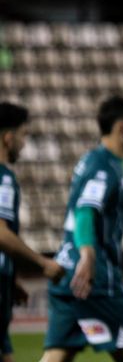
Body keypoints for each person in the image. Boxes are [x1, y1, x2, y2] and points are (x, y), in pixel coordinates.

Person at [42, 96, 123, 362]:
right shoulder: (104, 168)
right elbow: (86, 212)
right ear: (121, 128)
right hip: (95, 278)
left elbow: (101, 209)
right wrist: (88, 256)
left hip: (66, 274)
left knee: (57, 354)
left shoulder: (92, 160)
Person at [0, 103, 64, 362]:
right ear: (8, 138)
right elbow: (0, 233)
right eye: (23, 135)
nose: (25, 143)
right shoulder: (3, 179)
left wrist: (11, 278)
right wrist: (42, 263)